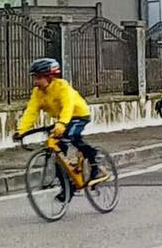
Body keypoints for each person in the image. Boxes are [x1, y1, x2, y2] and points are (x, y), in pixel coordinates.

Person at [12, 57, 104, 199]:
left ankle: (93, 158)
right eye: (34, 77)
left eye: (39, 77)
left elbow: (68, 106)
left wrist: (62, 123)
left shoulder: (62, 87)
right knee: (58, 155)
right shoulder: (38, 92)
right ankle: (67, 188)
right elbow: (31, 111)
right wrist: (21, 131)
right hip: (61, 120)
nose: (35, 81)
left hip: (78, 115)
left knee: (72, 136)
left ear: (49, 77)